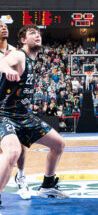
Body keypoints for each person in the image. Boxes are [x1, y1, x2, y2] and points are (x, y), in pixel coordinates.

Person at [0, 25, 68, 206]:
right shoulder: (19, 55)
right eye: (32, 33)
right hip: (4, 114)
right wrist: (7, 69)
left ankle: (47, 185)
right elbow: (2, 60)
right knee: (13, 152)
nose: (37, 36)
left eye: (38, 33)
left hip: (24, 115)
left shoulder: (32, 60)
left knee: (59, 144)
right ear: (23, 40)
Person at [0, 21, 30, 200]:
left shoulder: (16, 51)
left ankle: (21, 176)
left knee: (19, 145)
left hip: (11, 104)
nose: (4, 27)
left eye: (5, 25)